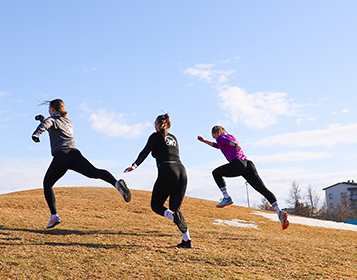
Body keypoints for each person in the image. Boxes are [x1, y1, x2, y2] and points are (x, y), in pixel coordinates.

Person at [33, 99, 131, 229]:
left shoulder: (52, 120)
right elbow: (54, 125)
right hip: (74, 154)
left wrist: (36, 134)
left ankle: (54, 216)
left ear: (51, 109)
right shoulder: (68, 122)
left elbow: (48, 124)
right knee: (94, 172)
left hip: (61, 156)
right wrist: (44, 119)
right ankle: (117, 184)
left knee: (47, 184)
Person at [197, 126, 289, 230]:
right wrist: (204, 141)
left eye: (213, 136)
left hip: (238, 164)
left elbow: (224, 141)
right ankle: (279, 212)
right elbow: (218, 145)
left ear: (216, 133)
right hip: (249, 164)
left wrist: (235, 145)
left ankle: (226, 197)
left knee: (216, 173)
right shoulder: (231, 136)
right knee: (262, 188)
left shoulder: (221, 137)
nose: (214, 139)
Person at [124, 113, 192, 248]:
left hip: (168, 170)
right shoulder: (173, 138)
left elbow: (146, 151)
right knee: (175, 209)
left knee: (156, 205)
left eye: (155, 124)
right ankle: (187, 240)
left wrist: (135, 165)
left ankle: (176, 219)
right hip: (182, 171)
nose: (154, 126)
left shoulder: (155, 136)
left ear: (159, 125)